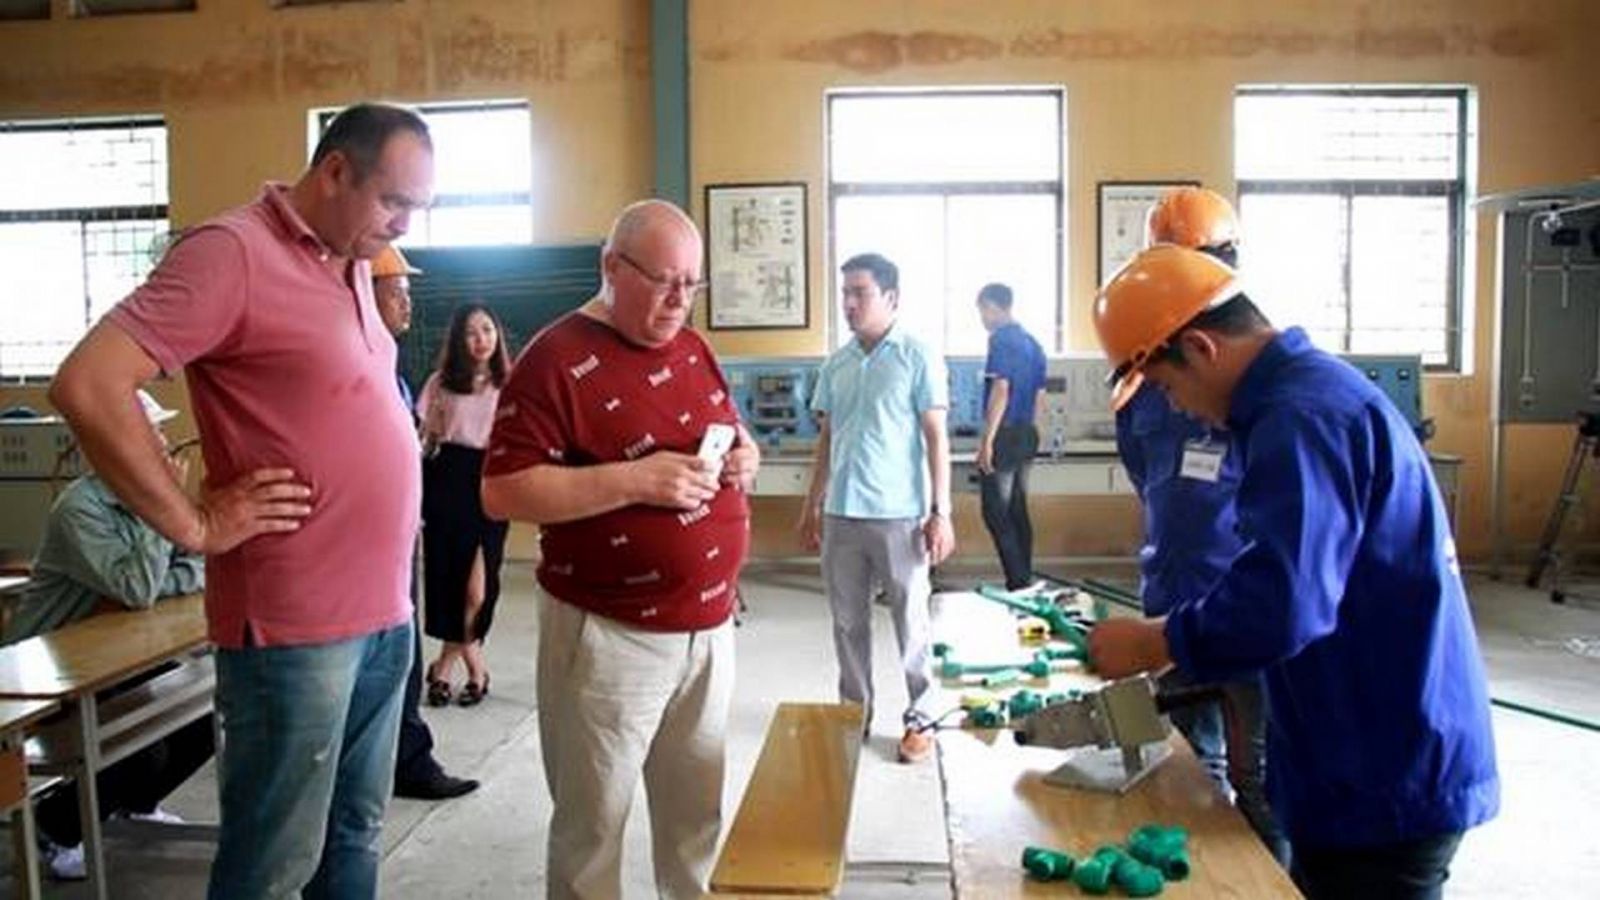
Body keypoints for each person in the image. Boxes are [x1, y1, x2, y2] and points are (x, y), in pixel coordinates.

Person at [48, 101, 433, 899]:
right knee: (273, 860)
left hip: (383, 615)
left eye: (415, 209)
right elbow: (88, 385)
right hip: (296, 629)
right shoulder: (232, 254)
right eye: (393, 201)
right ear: (333, 172)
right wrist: (192, 522)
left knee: (354, 832)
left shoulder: (353, 260)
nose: (402, 226)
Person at [1088, 244, 1499, 900]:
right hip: (1361, 747)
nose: (1182, 411)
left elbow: (1284, 605)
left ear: (1200, 347)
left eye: (1168, 389)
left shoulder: (1300, 417)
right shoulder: (1304, 397)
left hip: (1383, 766)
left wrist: (1157, 640)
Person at [480, 199, 759, 899]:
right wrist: (634, 480)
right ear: (611, 267)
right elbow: (503, 492)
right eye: (664, 280)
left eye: (692, 285)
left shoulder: (692, 346)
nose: (678, 301)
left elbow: (726, 426)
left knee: (696, 817)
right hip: (611, 632)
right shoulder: (555, 358)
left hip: (709, 629)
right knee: (593, 828)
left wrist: (742, 457)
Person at [1113, 187, 1285, 863]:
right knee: (1187, 775)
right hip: (1170, 603)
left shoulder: (1274, 394)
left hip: (1245, 611)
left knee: (1261, 781)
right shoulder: (1146, 386)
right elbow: (1144, 479)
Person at [3, 390, 212, 882]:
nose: (164, 443)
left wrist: (163, 564)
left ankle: (134, 806)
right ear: (123, 445)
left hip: (120, 649)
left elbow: (197, 567)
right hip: (51, 662)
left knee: (199, 720)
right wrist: (159, 510)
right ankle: (51, 828)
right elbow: (138, 588)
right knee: (139, 746)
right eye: (153, 434)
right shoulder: (81, 510)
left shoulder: (145, 498)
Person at [799, 252, 954, 765]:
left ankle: (922, 716)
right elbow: (827, 437)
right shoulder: (837, 364)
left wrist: (942, 511)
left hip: (900, 516)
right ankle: (854, 712)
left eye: (859, 293)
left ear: (891, 298)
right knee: (847, 622)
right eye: (844, 293)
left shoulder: (917, 356)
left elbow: (936, 438)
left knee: (911, 620)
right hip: (842, 514)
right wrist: (812, 503)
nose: (848, 303)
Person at [371, 245, 480, 800]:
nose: (406, 302)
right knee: (391, 661)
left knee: (403, 658)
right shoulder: (355, 361)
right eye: (396, 290)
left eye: (408, 291)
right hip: (365, 547)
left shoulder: (387, 364)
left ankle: (406, 758)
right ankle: (402, 761)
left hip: (397, 537)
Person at [417, 301, 511, 709]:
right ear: (458, 339)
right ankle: (474, 670)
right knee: (449, 580)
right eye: (471, 332)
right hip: (447, 479)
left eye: (487, 330)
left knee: (478, 588)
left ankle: (443, 666)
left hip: (490, 479)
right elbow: (427, 440)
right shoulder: (440, 383)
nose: (480, 340)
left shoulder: (511, 383)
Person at [974, 282, 1047, 591]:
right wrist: (1030, 432)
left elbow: (1001, 390)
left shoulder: (1001, 340)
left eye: (982, 311)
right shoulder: (1033, 343)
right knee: (1017, 507)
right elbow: (1040, 396)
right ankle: (1024, 577)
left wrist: (987, 441)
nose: (982, 319)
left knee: (996, 511)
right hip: (1027, 432)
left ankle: (1017, 582)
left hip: (1004, 435)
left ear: (993, 306)